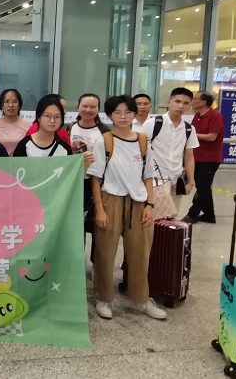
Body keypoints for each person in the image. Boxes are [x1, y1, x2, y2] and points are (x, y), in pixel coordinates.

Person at [88, 95, 167, 321]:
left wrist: (150, 205)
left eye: (127, 112)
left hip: (138, 203)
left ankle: (141, 299)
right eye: (117, 112)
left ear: (134, 114)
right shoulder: (104, 141)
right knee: (105, 253)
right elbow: (95, 178)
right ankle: (103, 297)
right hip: (110, 200)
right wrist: (99, 208)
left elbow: (148, 175)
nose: (122, 116)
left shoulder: (143, 141)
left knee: (140, 253)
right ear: (110, 116)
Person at [67, 94, 112, 266]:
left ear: (98, 109)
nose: (88, 110)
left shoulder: (105, 132)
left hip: (95, 183)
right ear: (78, 107)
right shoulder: (71, 127)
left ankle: (95, 263)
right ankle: (78, 262)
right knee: (77, 224)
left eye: (92, 107)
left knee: (96, 225)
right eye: (84, 106)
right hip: (74, 182)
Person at [143, 87, 199, 214]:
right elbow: (140, 151)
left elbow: (189, 156)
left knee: (172, 217)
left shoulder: (189, 129)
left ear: (190, 106)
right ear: (169, 102)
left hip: (176, 181)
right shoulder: (153, 124)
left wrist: (191, 180)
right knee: (153, 218)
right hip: (155, 181)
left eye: (185, 103)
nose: (181, 106)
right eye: (177, 101)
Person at [15, 97, 93, 170]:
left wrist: (85, 165)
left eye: (57, 117)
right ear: (38, 117)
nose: (52, 121)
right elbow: (15, 174)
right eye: (47, 116)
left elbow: (71, 177)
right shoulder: (25, 145)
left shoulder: (64, 148)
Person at [184, 91, 225, 224]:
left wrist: (191, 134)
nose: (193, 102)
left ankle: (192, 213)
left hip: (210, 158)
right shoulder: (197, 116)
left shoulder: (215, 116)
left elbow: (212, 137)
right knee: (203, 187)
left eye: (195, 99)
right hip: (197, 156)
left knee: (202, 187)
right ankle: (209, 214)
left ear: (203, 102)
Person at [0, 88, 32, 156]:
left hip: (21, 162)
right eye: (6, 101)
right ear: (2, 105)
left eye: (14, 101)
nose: (10, 105)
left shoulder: (28, 125)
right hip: (0, 162)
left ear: (19, 105)